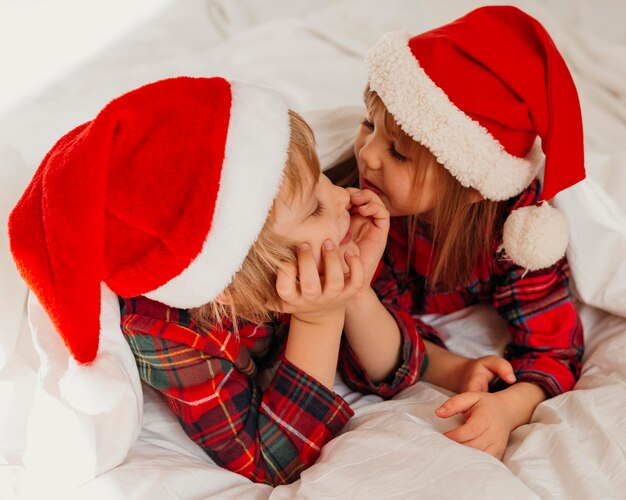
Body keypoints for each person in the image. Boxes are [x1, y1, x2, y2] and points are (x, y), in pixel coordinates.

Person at [8, 76, 515, 485]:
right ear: (230, 276)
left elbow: (366, 362)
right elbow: (269, 461)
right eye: (318, 206)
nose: (344, 195)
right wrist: (319, 320)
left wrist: (367, 298)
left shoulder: (281, 248)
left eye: (322, 182)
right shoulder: (172, 336)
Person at [335, 5, 585, 460]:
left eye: (400, 154)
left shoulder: (515, 236)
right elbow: (367, 348)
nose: (368, 156)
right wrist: (454, 367)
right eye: (368, 124)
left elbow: (556, 350)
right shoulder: (358, 200)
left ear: (470, 183)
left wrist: (510, 406)